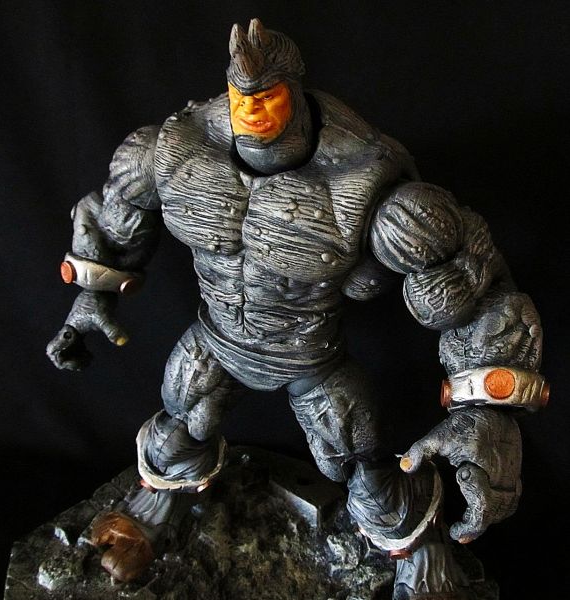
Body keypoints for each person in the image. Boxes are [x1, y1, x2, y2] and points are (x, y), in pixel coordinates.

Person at [47, 19, 547, 599]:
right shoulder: (173, 152)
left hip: (312, 355)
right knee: (178, 423)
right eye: (241, 95)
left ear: (294, 88)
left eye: (267, 96)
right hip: (217, 337)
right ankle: (153, 507)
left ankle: (424, 555)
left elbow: (480, 294)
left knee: (365, 472)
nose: (251, 110)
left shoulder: (368, 182)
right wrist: (92, 292)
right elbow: (117, 215)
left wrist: (488, 417)